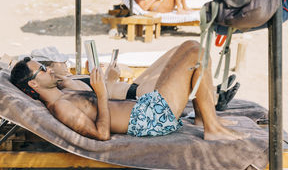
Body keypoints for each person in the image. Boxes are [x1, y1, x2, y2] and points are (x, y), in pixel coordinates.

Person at [11, 40, 246, 141]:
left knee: (188, 48)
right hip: (149, 119)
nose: (48, 70)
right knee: (195, 51)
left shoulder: (63, 94)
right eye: (42, 69)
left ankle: (203, 119)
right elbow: (101, 134)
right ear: (33, 84)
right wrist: (102, 94)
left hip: (146, 108)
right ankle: (212, 127)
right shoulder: (60, 107)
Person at [29, 45, 240, 114]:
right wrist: (108, 80)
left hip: (132, 86)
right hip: (135, 95)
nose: (65, 64)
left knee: (178, 50)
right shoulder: (65, 84)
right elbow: (100, 98)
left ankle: (211, 92)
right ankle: (212, 98)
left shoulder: (68, 78)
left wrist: (104, 75)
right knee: (189, 57)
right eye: (60, 63)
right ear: (50, 68)